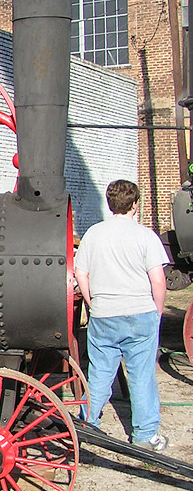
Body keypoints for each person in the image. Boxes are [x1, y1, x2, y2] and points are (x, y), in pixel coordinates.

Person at [74, 180, 169, 450]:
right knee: (142, 375)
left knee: (99, 373)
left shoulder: (93, 234)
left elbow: (81, 273)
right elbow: (158, 281)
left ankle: (88, 424)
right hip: (140, 312)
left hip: (104, 314)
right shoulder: (145, 236)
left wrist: (93, 302)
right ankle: (145, 435)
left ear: (109, 203)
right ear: (135, 204)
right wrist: (157, 312)